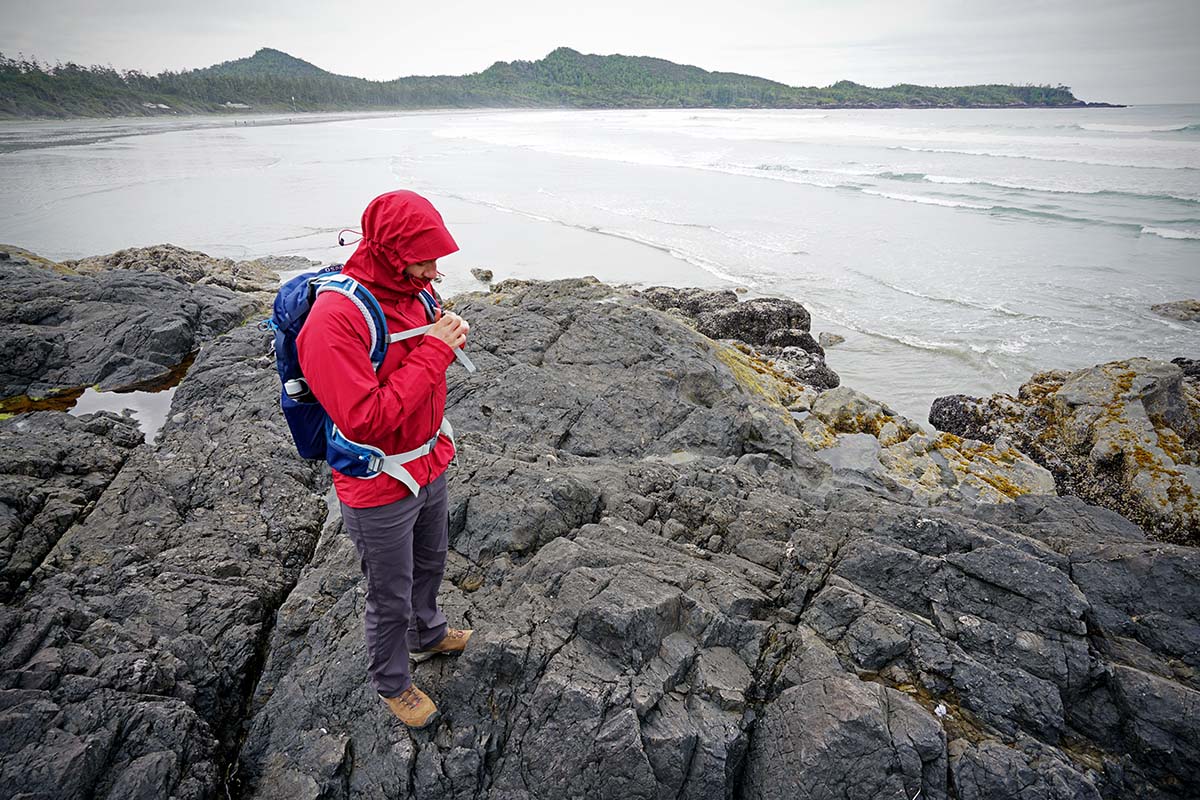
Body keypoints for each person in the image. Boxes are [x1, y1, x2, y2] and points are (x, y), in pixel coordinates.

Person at [296, 189, 471, 729]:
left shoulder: (415, 292)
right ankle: (393, 683)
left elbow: (417, 359)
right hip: (377, 482)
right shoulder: (333, 320)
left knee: (432, 561)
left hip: (426, 460)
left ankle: (429, 632)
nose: (435, 270)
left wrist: (442, 336)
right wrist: (439, 349)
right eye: (425, 257)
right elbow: (365, 419)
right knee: (388, 592)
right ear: (392, 251)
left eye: (438, 256)